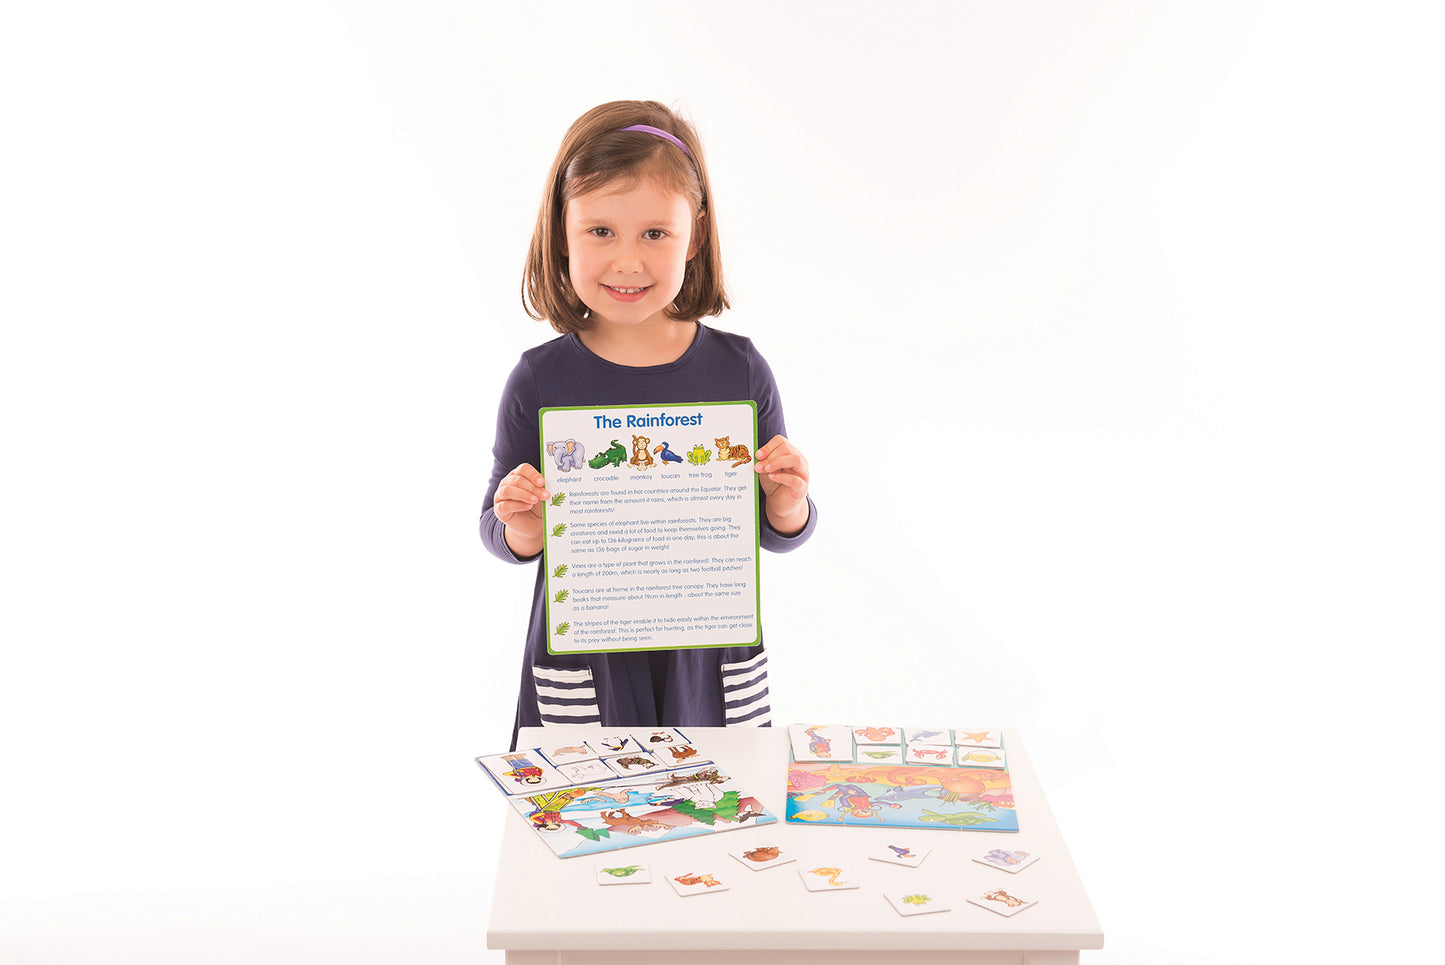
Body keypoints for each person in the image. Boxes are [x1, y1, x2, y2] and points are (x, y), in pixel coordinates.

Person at [479, 100, 817, 750]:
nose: (628, 261)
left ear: (696, 234)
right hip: (589, 665)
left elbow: (774, 531)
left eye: (655, 233)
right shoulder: (539, 380)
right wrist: (522, 524)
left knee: (719, 794)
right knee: (589, 801)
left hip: (707, 660)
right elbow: (497, 528)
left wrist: (787, 503)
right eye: (600, 231)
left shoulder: (739, 370)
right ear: (561, 232)